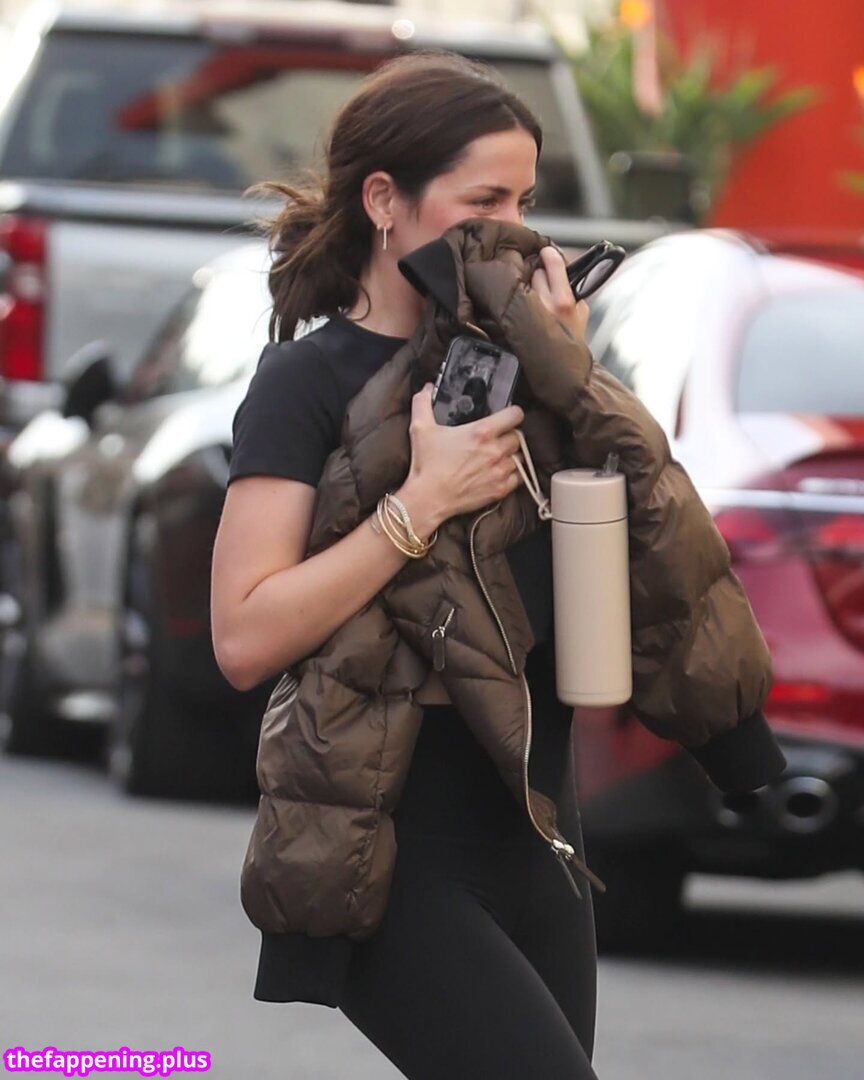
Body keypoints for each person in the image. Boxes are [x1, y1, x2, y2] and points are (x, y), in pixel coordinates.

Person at [211, 52, 784, 1080]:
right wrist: (416, 507)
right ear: (383, 202)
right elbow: (244, 636)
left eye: (525, 201)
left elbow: (643, 572)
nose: (515, 230)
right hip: (393, 849)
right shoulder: (307, 382)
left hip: (542, 841)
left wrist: (571, 383)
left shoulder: (531, 374)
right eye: (483, 201)